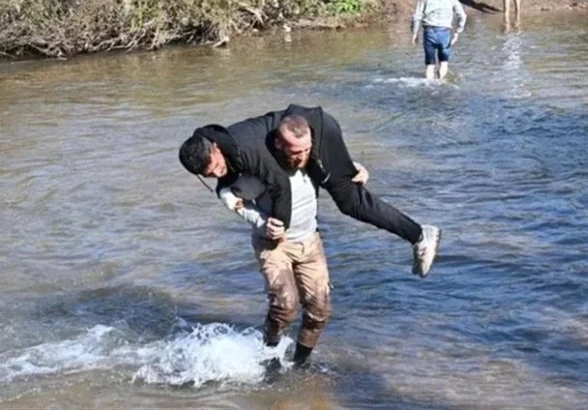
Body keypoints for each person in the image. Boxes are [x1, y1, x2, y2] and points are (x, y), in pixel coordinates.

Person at [178, 106, 443, 362]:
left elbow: (323, 159)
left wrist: (348, 168)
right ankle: (268, 357)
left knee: (319, 311)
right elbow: (234, 196)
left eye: (215, 167)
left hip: (309, 242)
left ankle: (299, 365)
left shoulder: (305, 157)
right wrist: (264, 224)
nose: (215, 174)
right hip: (274, 245)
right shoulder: (250, 172)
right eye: (207, 173)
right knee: (285, 305)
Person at [411, 0, 467, 80]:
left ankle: (428, 85)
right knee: (444, 63)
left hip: (429, 31)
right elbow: (462, 16)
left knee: (430, 65)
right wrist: (457, 32)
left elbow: (416, 16)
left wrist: (414, 33)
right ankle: (440, 84)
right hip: (445, 32)